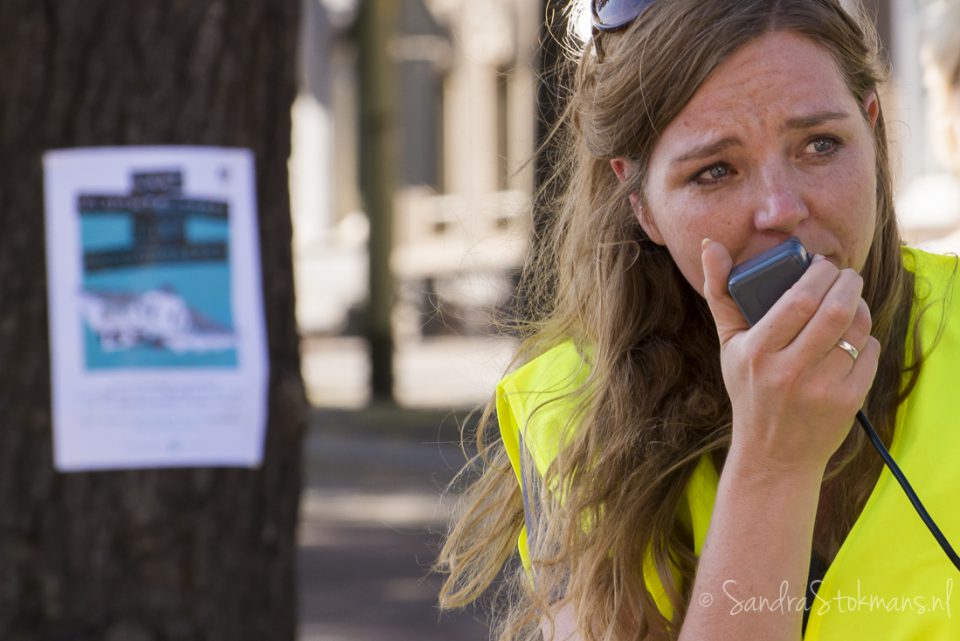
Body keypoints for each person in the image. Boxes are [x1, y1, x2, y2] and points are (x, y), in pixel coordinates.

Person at [438, 1, 960, 640]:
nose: (781, 209)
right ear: (643, 203)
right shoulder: (569, 408)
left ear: (871, 131)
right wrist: (774, 465)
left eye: (820, 145)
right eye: (715, 170)